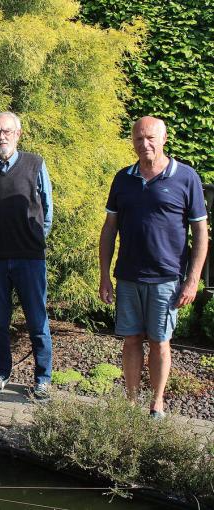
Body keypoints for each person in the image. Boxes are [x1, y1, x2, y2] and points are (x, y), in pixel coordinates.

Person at [99, 116, 207, 419]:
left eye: (150, 138)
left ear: (164, 139)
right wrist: (105, 276)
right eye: (138, 139)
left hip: (167, 278)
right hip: (128, 276)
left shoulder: (186, 177)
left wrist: (193, 279)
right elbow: (110, 229)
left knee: (160, 342)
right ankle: (131, 402)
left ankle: (157, 403)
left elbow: (200, 232)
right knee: (131, 339)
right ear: (133, 141)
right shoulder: (123, 178)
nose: (144, 144)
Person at [0, 111, 54, 400]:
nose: (1, 136)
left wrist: (33, 240)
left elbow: (47, 211)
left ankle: (43, 379)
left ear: (18, 134)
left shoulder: (35, 164)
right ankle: (2, 373)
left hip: (29, 257)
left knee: (37, 319)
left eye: (7, 131)